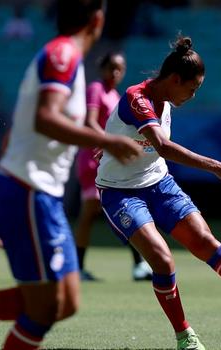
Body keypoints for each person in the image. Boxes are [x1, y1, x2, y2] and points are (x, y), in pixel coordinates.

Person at [0, 1, 142, 350]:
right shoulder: (62, 54)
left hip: (33, 193)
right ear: (97, 19)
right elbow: (44, 118)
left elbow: (17, 130)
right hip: (27, 190)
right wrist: (107, 141)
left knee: (65, 302)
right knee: (46, 307)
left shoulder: (69, 61)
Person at [95, 35, 221, 350]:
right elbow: (161, 146)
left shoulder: (167, 99)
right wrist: (215, 166)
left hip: (158, 183)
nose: (193, 95)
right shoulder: (139, 98)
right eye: (192, 88)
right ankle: (184, 336)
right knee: (162, 261)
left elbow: (144, 147)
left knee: (205, 243)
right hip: (120, 193)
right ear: (175, 79)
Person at [74, 51, 153, 281]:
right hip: (93, 160)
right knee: (92, 213)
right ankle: (76, 268)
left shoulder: (114, 94)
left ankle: (137, 265)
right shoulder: (96, 89)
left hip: (107, 159)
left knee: (117, 210)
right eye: (112, 68)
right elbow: (89, 122)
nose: (116, 73)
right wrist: (110, 144)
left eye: (120, 68)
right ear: (103, 69)